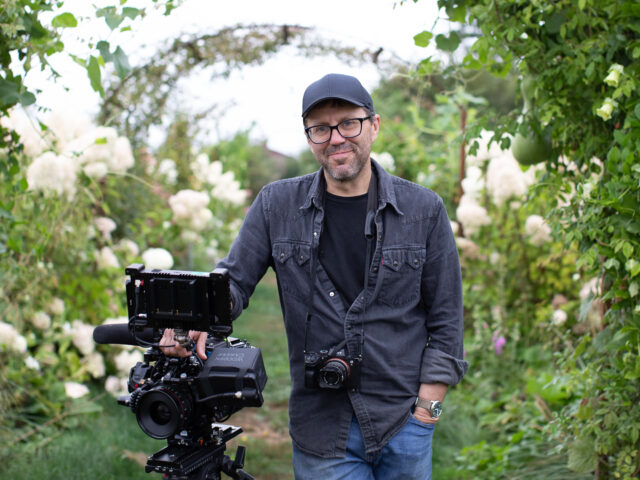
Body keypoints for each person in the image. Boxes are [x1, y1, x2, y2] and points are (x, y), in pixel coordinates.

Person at [160, 73, 468, 479]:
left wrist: (427, 410)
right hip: (323, 426)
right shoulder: (276, 205)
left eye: (348, 123)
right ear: (309, 137)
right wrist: (196, 315)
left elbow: (447, 317)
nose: (336, 137)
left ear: (373, 125)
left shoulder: (424, 210)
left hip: (403, 419)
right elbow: (233, 281)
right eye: (321, 128)